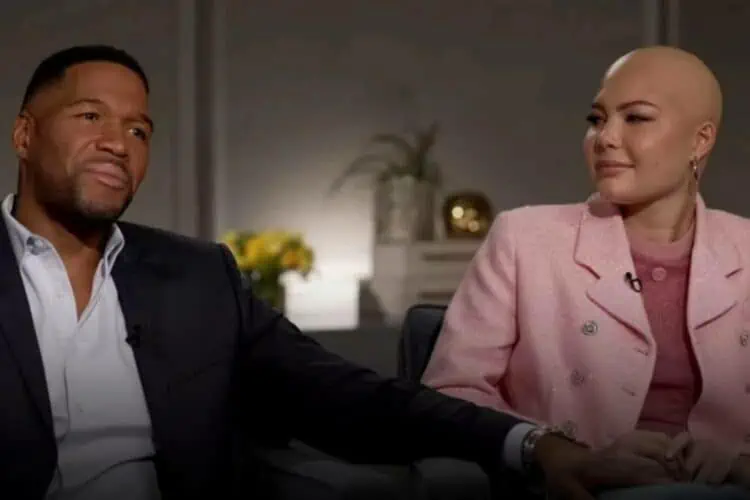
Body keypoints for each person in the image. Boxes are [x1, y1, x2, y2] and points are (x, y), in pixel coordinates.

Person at [0, 44, 672, 500]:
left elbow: (346, 396)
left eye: (139, 130)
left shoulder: (197, 278)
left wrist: (533, 444)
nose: (118, 144)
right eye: (90, 117)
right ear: (25, 135)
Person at [422, 46, 750, 499]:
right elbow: (449, 395)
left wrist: (739, 461)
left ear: (701, 140)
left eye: (636, 118)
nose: (605, 137)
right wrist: (564, 453)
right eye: (597, 119)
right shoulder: (524, 239)